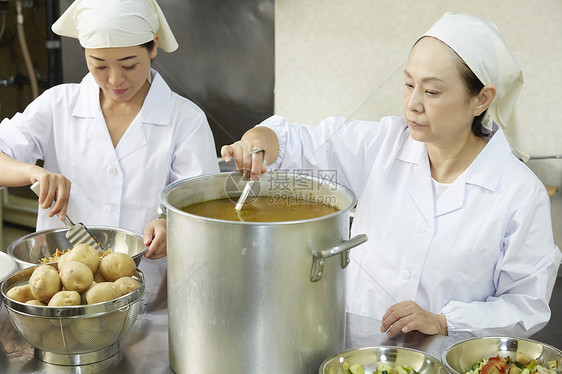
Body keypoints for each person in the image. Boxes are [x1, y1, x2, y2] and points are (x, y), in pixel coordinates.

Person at [221, 13, 561, 338]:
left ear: (481, 99)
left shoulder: (519, 192)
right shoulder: (381, 144)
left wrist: (444, 322)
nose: (412, 104)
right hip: (357, 355)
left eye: (431, 92)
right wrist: (260, 140)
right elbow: (303, 143)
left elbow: (525, 305)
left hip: (445, 362)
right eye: (408, 84)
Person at [0, 0, 219, 259]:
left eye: (129, 65)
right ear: (84, 53)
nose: (114, 80)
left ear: (153, 46)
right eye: (99, 65)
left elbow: (204, 208)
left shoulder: (185, 120)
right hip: (61, 290)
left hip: (151, 287)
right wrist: (31, 172)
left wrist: (170, 226)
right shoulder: (57, 105)